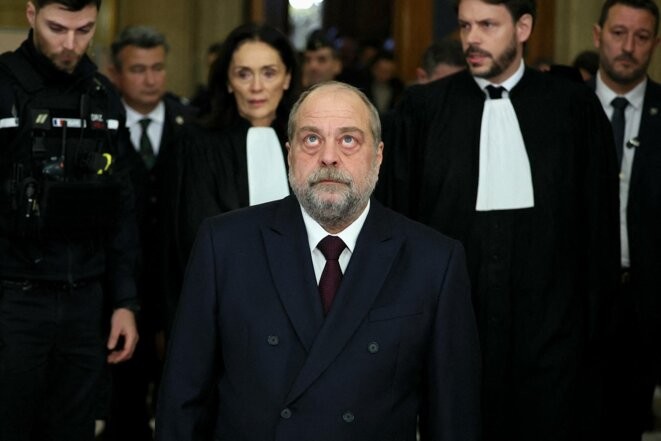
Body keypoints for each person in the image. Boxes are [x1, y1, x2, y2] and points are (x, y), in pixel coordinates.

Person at [155, 81, 480, 441]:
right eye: (311, 139)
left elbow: (453, 419)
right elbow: (182, 401)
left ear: (379, 155)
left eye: (348, 140)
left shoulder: (434, 260)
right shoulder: (225, 245)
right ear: (289, 151)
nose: (328, 157)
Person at [377, 0, 620, 439]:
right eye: (466, 25)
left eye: (488, 25)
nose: (472, 38)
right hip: (452, 339)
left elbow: (596, 233)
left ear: (523, 27)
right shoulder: (422, 111)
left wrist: (593, 341)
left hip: (551, 346)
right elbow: (400, 227)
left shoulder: (573, 110)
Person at [0, 1, 139, 440]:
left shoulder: (103, 95)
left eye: (85, 30)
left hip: (85, 301)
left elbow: (123, 209)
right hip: (13, 299)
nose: (70, 44)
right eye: (57, 28)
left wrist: (125, 302)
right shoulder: (3, 86)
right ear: (30, 13)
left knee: (76, 430)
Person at [165, 23, 300, 331]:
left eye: (268, 73)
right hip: (221, 314)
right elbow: (182, 241)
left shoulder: (310, 143)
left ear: (287, 77)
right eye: (243, 74)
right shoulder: (194, 143)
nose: (256, 87)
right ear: (227, 80)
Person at [104, 25, 196, 441]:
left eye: (157, 67)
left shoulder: (191, 124)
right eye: (138, 69)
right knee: (125, 395)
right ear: (115, 72)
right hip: (121, 286)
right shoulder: (102, 126)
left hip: (180, 280)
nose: (151, 79)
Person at [590, 1, 661, 439]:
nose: (628, 47)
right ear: (598, 35)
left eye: (641, 37)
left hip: (645, 302)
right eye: (619, 33)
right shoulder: (565, 110)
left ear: (655, 43)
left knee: (629, 423)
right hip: (573, 302)